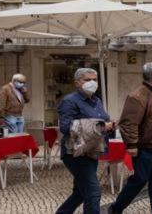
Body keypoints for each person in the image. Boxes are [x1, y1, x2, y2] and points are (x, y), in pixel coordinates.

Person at [110, 62, 152, 214]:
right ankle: (116, 208)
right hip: (145, 146)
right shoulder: (138, 95)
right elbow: (128, 123)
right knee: (139, 179)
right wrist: (131, 145)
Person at [57, 68, 114, 214]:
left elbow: (101, 122)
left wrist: (110, 126)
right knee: (93, 192)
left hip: (92, 151)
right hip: (75, 153)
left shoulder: (96, 100)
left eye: (95, 79)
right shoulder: (69, 101)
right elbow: (66, 127)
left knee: (80, 193)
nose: (92, 82)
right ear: (77, 83)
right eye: (87, 80)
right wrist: (100, 126)